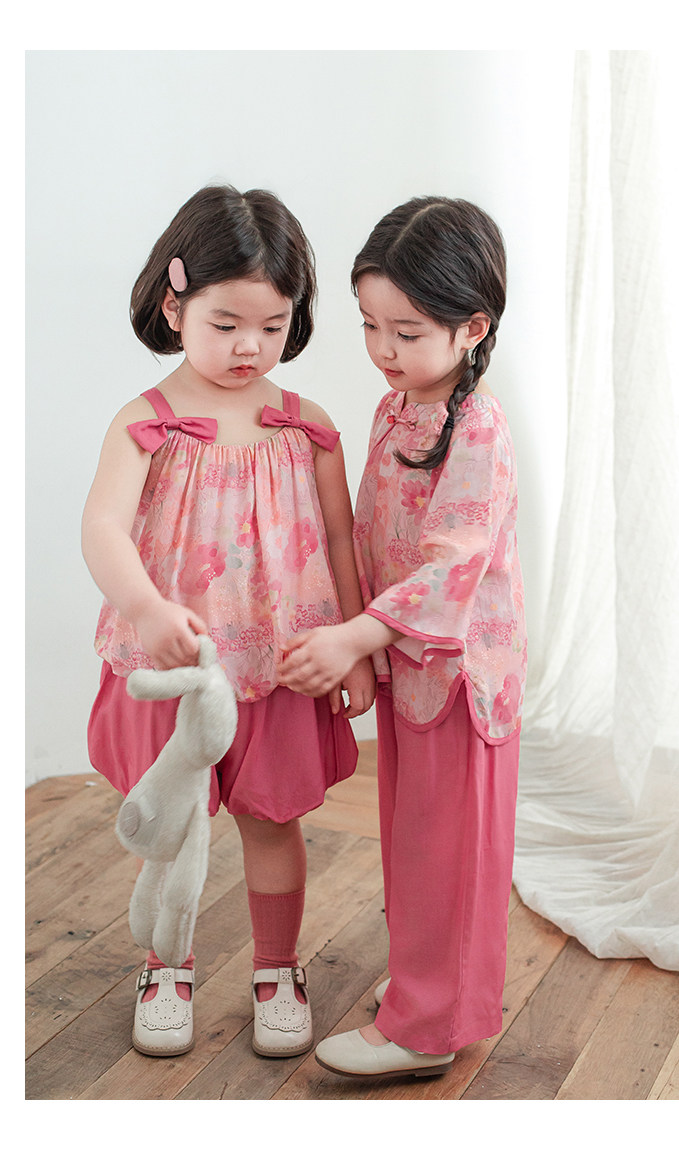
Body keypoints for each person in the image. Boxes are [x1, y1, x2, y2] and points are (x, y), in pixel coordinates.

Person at [82, 185, 375, 1060]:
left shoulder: (308, 428)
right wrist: (145, 607)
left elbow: (339, 539)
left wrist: (357, 648)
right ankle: (164, 965)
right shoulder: (146, 425)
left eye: (273, 325)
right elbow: (102, 528)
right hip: (182, 666)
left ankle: (277, 968)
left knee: (273, 820)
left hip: (282, 663)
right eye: (226, 323)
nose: (251, 346)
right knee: (172, 826)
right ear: (174, 306)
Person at [278, 196, 526, 1080]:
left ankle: (427, 1026)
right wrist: (361, 641)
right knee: (417, 839)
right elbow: (369, 530)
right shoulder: (399, 406)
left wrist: (356, 636)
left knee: (449, 848)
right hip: (408, 661)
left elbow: (451, 565)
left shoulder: (479, 427)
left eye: (407, 332)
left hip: (459, 674)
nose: (383, 349)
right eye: (370, 326)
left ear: (472, 328)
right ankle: (432, 985)